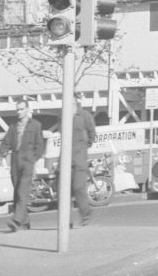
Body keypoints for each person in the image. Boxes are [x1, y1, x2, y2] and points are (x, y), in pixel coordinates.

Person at [0, 99, 44, 232]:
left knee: (22, 192)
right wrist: (0, 155)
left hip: (27, 162)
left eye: (22, 109)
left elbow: (40, 146)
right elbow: (6, 143)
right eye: (17, 109)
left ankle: (16, 220)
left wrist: (32, 159)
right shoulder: (13, 127)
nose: (19, 112)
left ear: (28, 109)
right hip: (15, 161)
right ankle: (25, 223)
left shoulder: (35, 125)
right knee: (17, 193)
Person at [71, 93, 97, 227]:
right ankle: (66, 221)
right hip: (66, 159)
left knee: (78, 187)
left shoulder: (85, 116)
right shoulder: (62, 116)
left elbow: (92, 133)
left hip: (79, 158)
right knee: (63, 190)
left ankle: (86, 214)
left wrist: (84, 148)